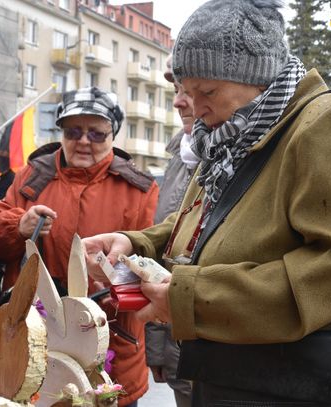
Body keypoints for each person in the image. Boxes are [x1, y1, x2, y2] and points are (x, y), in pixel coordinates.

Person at [82, 1, 331, 406]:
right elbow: (209, 222)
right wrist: (136, 245)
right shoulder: (228, 139)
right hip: (250, 379)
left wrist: (189, 298)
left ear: (257, 77)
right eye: (186, 92)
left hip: (321, 385)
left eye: (207, 91)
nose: (194, 107)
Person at [0, 86, 159, 406]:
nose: (84, 141)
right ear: (60, 131)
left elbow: (156, 264)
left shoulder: (139, 189)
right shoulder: (33, 175)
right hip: (32, 342)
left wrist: (112, 274)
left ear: (113, 135)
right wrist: (19, 226)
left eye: (97, 133)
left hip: (109, 347)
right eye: (73, 130)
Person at [144, 55, 197, 407]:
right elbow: (168, 260)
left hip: (220, 357)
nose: (179, 100)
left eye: (191, 87)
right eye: (176, 88)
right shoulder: (182, 156)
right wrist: (159, 350)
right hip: (179, 348)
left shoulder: (231, 154)